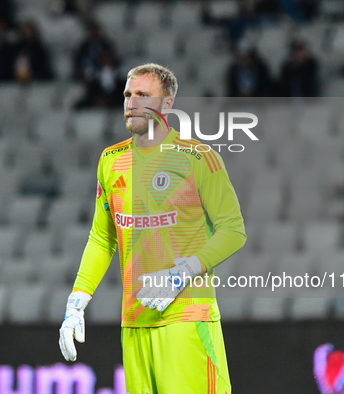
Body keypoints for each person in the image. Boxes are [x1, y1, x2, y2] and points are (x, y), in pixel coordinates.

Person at [59, 63, 247, 393]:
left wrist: (184, 271)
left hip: (187, 318)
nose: (131, 103)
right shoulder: (111, 160)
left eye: (143, 95)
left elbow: (233, 230)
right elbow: (103, 237)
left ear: (167, 104)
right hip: (134, 322)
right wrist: (76, 303)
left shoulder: (197, 157)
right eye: (127, 95)